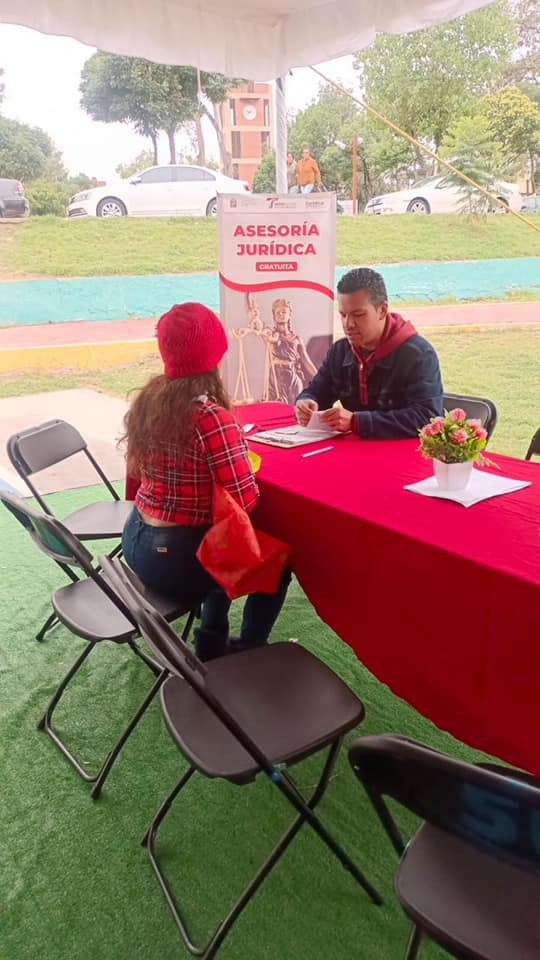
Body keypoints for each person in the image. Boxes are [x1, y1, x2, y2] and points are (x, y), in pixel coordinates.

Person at [122, 302, 290, 661]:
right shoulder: (211, 418)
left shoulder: (147, 403)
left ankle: (211, 641)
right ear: (215, 355)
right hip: (177, 559)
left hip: (135, 541)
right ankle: (248, 649)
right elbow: (244, 501)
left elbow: (135, 477)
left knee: (214, 543)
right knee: (273, 562)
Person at [295, 268, 443, 438]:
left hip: (401, 456)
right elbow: (317, 391)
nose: (348, 324)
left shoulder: (418, 354)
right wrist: (307, 402)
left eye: (358, 314)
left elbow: (427, 418)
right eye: (343, 315)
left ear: (382, 310)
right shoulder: (341, 350)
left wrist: (357, 422)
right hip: (354, 451)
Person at [266, 298, 318, 404]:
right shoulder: (269, 336)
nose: (281, 314)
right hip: (276, 378)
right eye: (278, 312)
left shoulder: (296, 339)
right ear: (274, 316)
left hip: (293, 378)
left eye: (284, 311)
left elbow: (306, 361)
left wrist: (321, 379)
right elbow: (256, 324)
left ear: (289, 315)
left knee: (295, 409)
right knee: (277, 410)